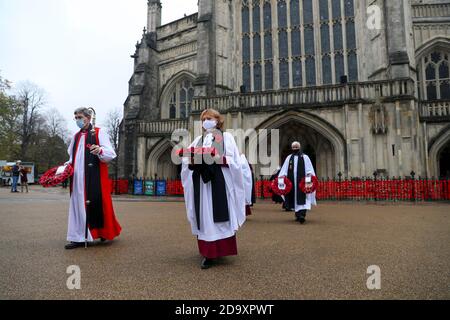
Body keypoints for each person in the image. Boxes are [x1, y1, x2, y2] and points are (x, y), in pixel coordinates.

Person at [180, 109, 246, 269]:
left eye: (208, 118)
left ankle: (219, 250)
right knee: (205, 215)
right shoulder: (198, 139)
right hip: (202, 184)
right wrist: (191, 158)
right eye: (203, 119)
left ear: (217, 120)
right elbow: (186, 157)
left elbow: (235, 160)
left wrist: (217, 158)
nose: (205, 121)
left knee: (216, 215)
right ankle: (208, 252)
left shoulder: (226, 137)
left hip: (218, 182)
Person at [64, 107, 122, 250]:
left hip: (94, 175)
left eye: (80, 117)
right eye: (76, 117)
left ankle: (101, 231)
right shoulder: (76, 136)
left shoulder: (98, 132)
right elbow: (72, 157)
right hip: (78, 178)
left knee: (98, 203)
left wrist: (100, 150)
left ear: (88, 118)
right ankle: (78, 236)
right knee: (78, 204)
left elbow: (110, 153)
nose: (77, 120)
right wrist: (64, 169)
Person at [279, 141, 317, 224]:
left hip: (303, 182)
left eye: (296, 147)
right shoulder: (289, 158)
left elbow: (309, 169)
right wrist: (282, 177)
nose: (295, 148)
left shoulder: (305, 157)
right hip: (292, 182)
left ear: (299, 148)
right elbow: (284, 169)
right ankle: (297, 214)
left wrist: (309, 177)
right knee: (295, 199)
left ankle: (302, 214)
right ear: (292, 148)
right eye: (294, 147)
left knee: (304, 197)